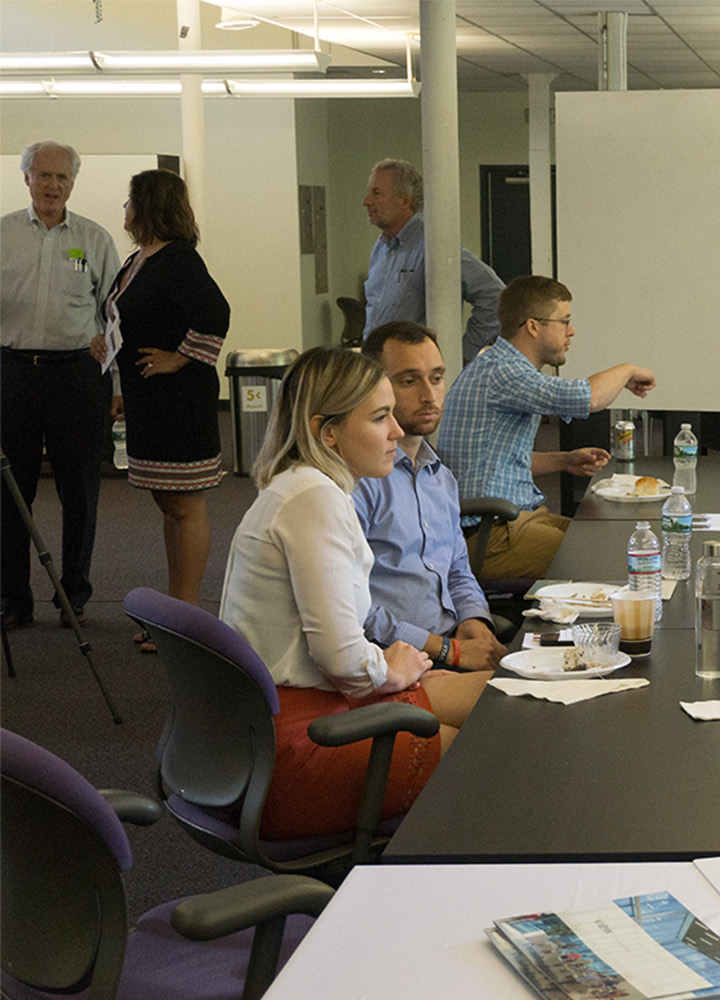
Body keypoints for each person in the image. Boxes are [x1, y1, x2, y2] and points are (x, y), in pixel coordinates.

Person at [220, 347, 491, 840]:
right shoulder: (315, 499)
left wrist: (391, 667)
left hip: (291, 717)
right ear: (328, 432)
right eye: (381, 417)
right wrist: (391, 669)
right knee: (486, 757)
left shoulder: (302, 487)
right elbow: (344, 660)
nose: (396, 431)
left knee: (500, 699)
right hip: (299, 748)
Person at [435, 275, 655, 580]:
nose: (572, 331)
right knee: (613, 559)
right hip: (492, 535)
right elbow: (587, 398)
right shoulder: (504, 371)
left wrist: (564, 460)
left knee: (612, 540)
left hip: (509, 522)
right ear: (533, 326)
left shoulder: (496, 365)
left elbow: (498, 463)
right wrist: (627, 369)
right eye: (564, 322)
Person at [90, 169, 228, 640]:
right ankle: (177, 608)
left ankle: (185, 619)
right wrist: (112, 356)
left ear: (149, 206)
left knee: (184, 505)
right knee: (169, 504)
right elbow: (133, 320)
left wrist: (178, 358)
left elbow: (215, 314)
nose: (124, 209)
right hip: (148, 399)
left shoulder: (178, 261)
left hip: (178, 403)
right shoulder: (141, 259)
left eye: (130, 201)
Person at [1, 141, 121, 630]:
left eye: (62, 178)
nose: (52, 186)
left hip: (77, 377)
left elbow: (115, 318)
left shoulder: (94, 239)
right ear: (26, 178)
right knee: (10, 491)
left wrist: (118, 386)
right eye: (43, 176)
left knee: (80, 489)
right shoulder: (4, 234)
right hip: (12, 373)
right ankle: (13, 599)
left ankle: (74, 595)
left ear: (73, 184)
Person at [355, 321, 504, 672]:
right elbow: (354, 609)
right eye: (409, 381)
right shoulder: (359, 484)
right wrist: (446, 650)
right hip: (393, 659)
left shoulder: (440, 479)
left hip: (448, 642)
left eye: (436, 378)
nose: (430, 395)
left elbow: (457, 570)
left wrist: (474, 621)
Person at [362, 158, 505, 363]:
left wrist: (463, 354)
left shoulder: (432, 243)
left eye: (377, 193)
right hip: (379, 370)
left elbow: (495, 296)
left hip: (414, 370)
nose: (367, 201)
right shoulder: (381, 248)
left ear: (404, 200)